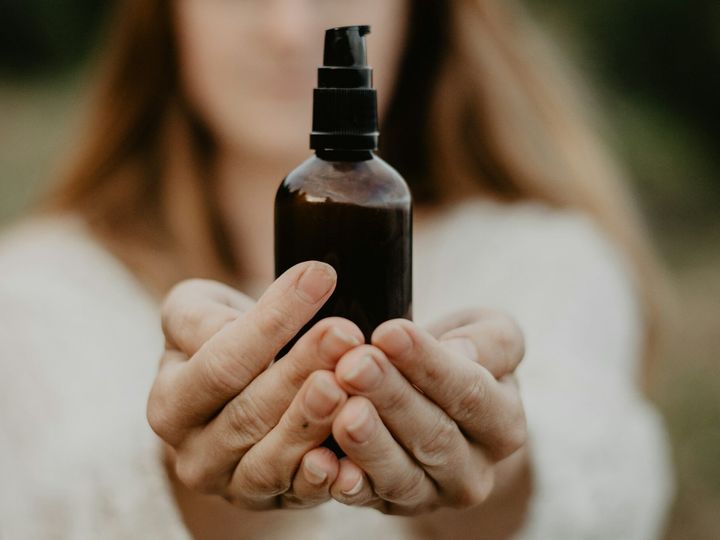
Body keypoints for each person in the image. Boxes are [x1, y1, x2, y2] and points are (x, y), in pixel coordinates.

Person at [0, 0, 674, 538]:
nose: (289, 28)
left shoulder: (547, 257)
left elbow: (604, 491)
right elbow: (38, 509)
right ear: (162, 12)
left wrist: (497, 468)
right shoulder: (39, 289)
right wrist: (195, 492)